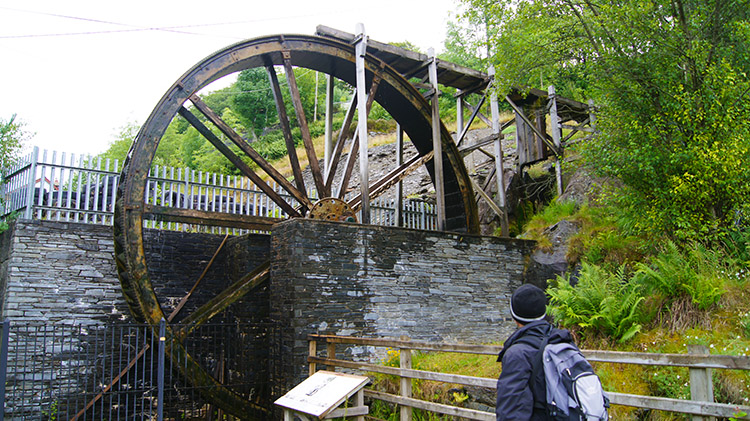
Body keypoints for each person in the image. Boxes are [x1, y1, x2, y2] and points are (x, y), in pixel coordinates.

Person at [495, 284, 574, 421]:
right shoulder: (563, 342)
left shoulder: (518, 353)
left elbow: (512, 411)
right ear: (543, 312)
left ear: (514, 316)